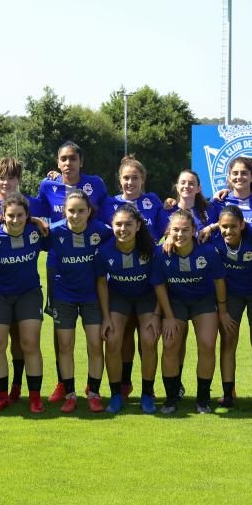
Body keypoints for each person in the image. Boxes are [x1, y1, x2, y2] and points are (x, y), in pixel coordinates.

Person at [37, 141, 108, 403]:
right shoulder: (48, 186)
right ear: (58, 163)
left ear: (81, 161)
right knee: (63, 339)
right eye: (63, 159)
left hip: (91, 285)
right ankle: (65, 387)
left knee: (94, 342)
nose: (68, 163)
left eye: (73, 159)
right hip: (60, 280)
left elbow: (113, 218)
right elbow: (34, 215)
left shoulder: (96, 186)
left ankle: (93, 390)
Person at [0, 157, 46, 405]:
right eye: (1, 177)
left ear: (19, 179)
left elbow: (50, 227)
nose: (6, 182)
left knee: (23, 340)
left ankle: (19, 385)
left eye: (11, 177)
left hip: (25, 285)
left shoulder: (33, 204)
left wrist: (36, 219)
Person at [153, 209, 233, 414]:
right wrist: (168, 316)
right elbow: (160, 285)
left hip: (203, 302)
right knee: (170, 344)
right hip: (176, 303)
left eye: (185, 230)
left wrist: (222, 311)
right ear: (169, 232)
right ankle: (171, 398)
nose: (180, 234)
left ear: (194, 231)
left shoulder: (207, 252)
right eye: (176, 230)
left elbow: (219, 281)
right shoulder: (162, 253)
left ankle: (203, 399)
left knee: (207, 345)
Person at [100, 156, 162, 401]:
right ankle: (120, 389)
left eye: (135, 177)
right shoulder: (108, 204)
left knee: (147, 339)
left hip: (147, 290)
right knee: (117, 338)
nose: (130, 182)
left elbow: (167, 227)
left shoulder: (153, 202)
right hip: (119, 291)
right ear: (119, 180)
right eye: (126, 177)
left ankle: (148, 392)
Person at [46, 189, 112, 413]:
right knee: (65, 346)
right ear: (64, 211)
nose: (76, 215)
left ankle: (93, 393)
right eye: (71, 211)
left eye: (81, 211)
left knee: (95, 344)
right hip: (63, 297)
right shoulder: (53, 232)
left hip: (92, 297)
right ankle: (70, 394)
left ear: (89, 211)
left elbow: (126, 235)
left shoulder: (101, 231)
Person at [211, 205, 252, 412]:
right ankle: (227, 394)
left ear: (242, 225)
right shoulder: (213, 238)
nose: (228, 231)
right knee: (227, 340)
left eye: (233, 226)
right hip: (231, 295)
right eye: (224, 226)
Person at [205, 156, 252, 231]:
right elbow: (209, 231)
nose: (239, 177)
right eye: (235, 173)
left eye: (244, 173)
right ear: (229, 178)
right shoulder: (219, 201)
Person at [157, 169, 210, 237]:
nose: (186, 186)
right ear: (177, 187)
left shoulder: (209, 210)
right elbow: (154, 238)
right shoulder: (166, 211)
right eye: (183, 183)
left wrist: (211, 227)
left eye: (191, 183)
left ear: (198, 189)